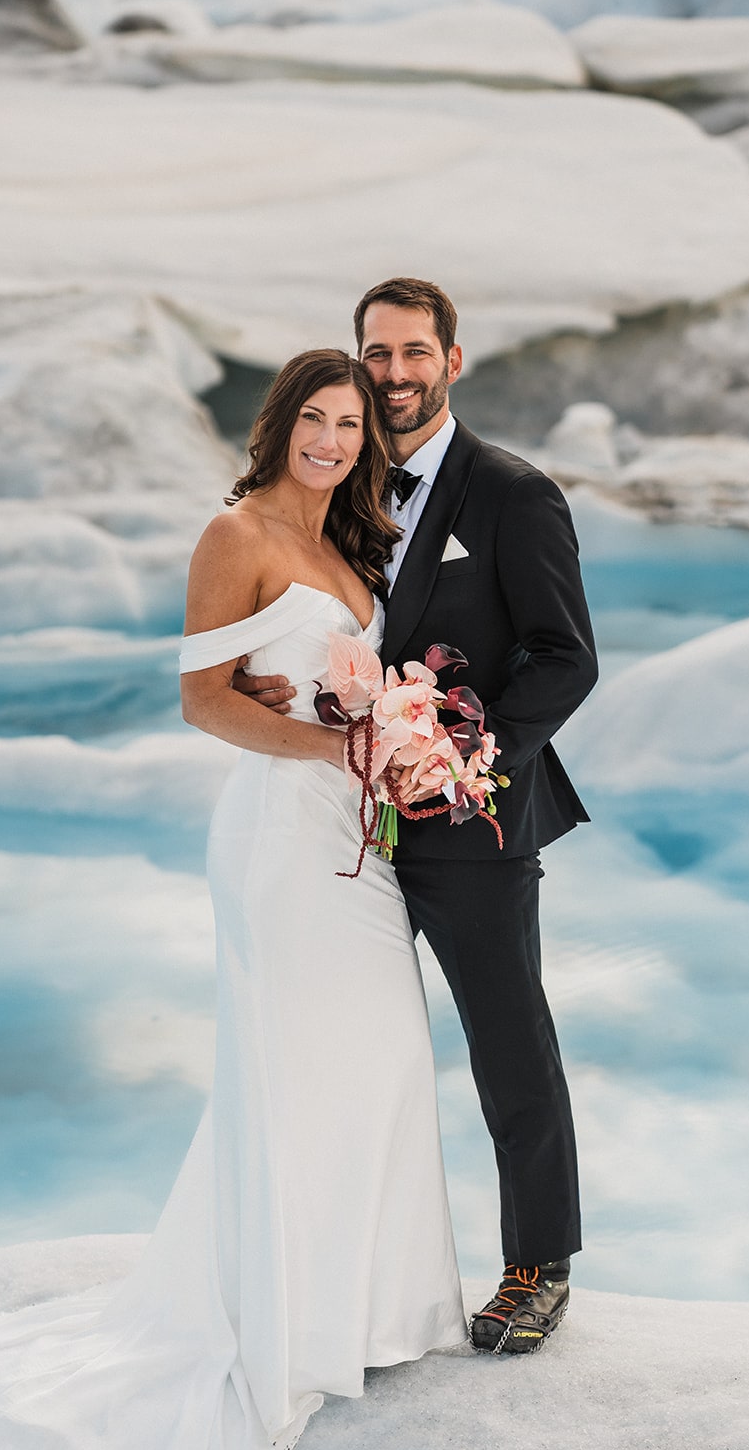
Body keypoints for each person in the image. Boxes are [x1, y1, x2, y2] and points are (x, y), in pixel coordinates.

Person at [0, 350, 468, 1450]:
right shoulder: (233, 532)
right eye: (314, 418)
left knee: (385, 1060)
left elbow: (355, 681)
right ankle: (282, 1332)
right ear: (279, 424)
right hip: (279, 838)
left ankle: (365, 1310)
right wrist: (339, 751)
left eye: (351, 425)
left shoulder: (353, 543)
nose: (332, 440)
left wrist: (402, 740)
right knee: (289, 1073)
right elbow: (203, 698)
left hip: (354, 842)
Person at [238, 279, 598, 1355]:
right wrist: (267, 681)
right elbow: (311, 621)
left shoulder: (513, 494)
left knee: (505, 1040)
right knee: (349, 1043)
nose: (393, 374)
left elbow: (564, 656)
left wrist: (468, 759)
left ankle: (537, 1266)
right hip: (337, 818)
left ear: (452, 359)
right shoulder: (338, 480)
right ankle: (348, 1272)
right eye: (376, 355)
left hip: (471, 821)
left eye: (413, 353)